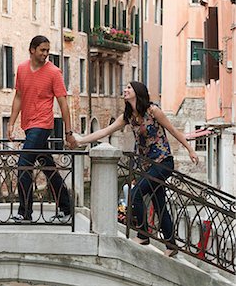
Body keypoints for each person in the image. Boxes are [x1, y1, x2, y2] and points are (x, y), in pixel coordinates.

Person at [73, 81, 198, 257]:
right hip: (148, 166)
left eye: (129, 88)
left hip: (163, 162)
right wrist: (81, 141)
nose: (125, 90)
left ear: (137, 92)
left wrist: (190, 150)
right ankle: (171, 245)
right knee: (159, 203)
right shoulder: (128, 116)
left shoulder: (153, 111)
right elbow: (105, 132)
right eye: (125, 88)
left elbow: (174, 131)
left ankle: (143, 235)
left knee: (135, 193)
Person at [7, 35, 78, 222]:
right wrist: (11, 123)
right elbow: (18, 97)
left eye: (48, 50)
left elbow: (63, 104)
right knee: (47, 167)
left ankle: (25, 212)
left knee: (24, 164)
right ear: (32, 50)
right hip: (28, 125)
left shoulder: (54, 72)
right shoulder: (22, 69)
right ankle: (66, 206)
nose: (46, 54)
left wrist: (68, 133)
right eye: (43, 50)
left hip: (43, 125)